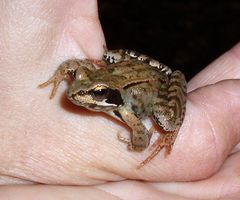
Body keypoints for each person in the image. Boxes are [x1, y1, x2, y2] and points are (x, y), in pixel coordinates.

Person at [0, 1, 239, 199]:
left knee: (166, 121)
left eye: (99, 93)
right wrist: (58, 76)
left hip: (154, 86)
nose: (75, 92)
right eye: (81, 79)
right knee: (109, 56)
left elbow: (142, 139)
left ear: (108, 95)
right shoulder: (83, 77)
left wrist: (132, 144)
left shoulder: (127, 113)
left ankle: (170, 129)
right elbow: (74, 65)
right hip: (129, 73)